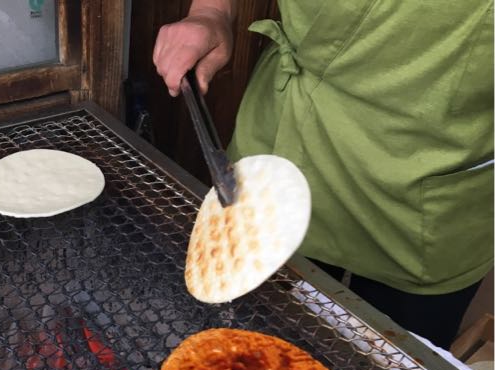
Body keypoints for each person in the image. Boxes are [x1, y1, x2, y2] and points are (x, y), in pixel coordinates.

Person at [153, 0, 494, 349]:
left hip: (433, 187)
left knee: (387, 367)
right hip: (280, 151)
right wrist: (211, 12)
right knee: (244, 345)